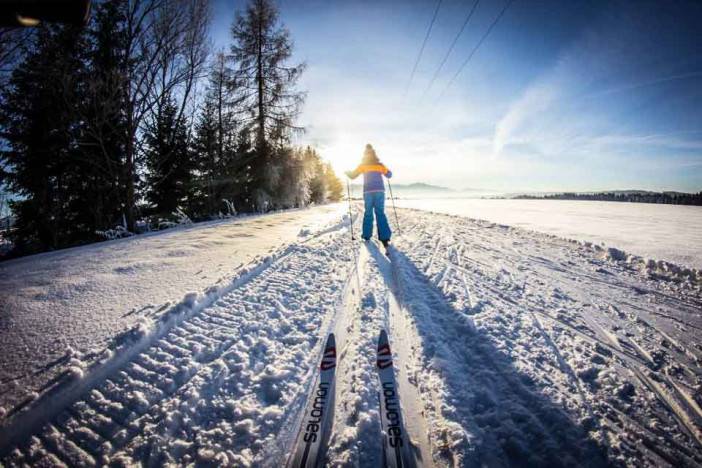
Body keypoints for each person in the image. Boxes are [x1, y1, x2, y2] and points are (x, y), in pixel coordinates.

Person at [345, 144, 393, 247]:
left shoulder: (363, 165)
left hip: (368, 192)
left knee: (368, 213)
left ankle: (366, 236)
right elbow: (389, 175)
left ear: (365, 154)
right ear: (374, 153)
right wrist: (387, 171)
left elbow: (353, 176)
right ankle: (385, 238)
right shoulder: (380, 165)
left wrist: (347, 172)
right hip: (379, 191)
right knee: (380, 213)